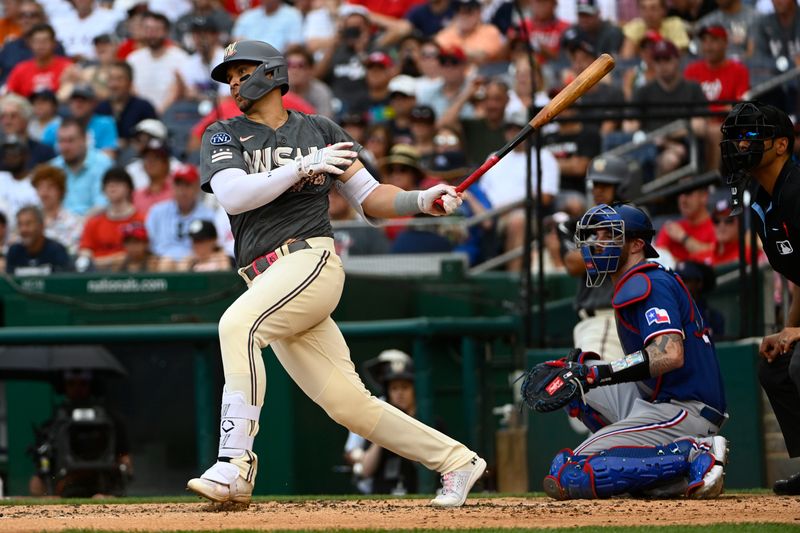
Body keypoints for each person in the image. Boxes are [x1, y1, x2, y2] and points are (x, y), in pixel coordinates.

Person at [186, 39, 485, 507]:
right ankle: (456, 461)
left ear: (271, 72)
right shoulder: (224, 133)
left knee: (237, 326)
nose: (236, 83)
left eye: (243, 71)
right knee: (349, 405)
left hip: (309, 261)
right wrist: (302, 166)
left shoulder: (319, 129)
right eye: (230, 76)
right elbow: (234, 195)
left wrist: (423, 200)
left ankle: (235, 465)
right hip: (265, 279)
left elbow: (370, 198)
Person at [535, 202, 728, 500]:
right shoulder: (634, 282)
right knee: (571, 376)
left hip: (684, 407)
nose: (597, 244)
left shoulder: (648, 282)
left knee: (570, 471)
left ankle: (694, 453)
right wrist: (590, 373)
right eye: (595, 235)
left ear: (637, 244)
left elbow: (670, 354)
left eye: (608, 236)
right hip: (656, 398)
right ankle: (669, 473)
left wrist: (603, 372)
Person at [720, 102, 800, 495]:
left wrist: (798, 331)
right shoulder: (762, 196)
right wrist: (790, 328)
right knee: (777, 367)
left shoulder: (798, 189)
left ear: (782, 144)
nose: (739, 144)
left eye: (751, 135)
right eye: (735, 136)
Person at [29, 369, 133, 497]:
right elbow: (38, 482)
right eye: (71, 383)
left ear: (92, 385)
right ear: (63, 386)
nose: (77, 389)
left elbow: (126, 462)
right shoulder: (55, 426)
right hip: (65, 487)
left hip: (103, 487)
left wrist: (121, 474)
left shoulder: (111, 423)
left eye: (83, 383)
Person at [347, 355, 422, 495]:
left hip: (420, 494)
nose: (400, 393)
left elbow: (429, 468)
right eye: (394, 388)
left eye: (405, 387)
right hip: (382, 496)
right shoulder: (376, 419)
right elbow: (365, 470)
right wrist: (385, 432)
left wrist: (409, 423)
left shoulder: (429, 419)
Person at [144, 163, 216, 264]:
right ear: (172, 187)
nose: (182, 191)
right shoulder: (157, 211)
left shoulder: (208, 215)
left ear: (196, 187)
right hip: (159, 262)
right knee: (166, 262)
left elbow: (213, 246)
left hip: (195, 262)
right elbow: (146, 243)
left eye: (187, 185)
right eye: (178, 185)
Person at [77, 167, 144, 272]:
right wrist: (112, 260)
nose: (112, 186)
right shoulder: (93, 222)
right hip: (97, 276)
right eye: (108, 184)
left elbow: (142, 253)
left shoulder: (141, 219)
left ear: (129, 188)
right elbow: (85, 252)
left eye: (118, 182)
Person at [655, 182, 716, 264]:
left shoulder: (720, 224)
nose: (682, 199)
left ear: (704, 196)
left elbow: (716, 254)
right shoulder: (672, 228)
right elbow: (658, 259)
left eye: (688, 193)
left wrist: (684, 238)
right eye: (680, 194)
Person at [31, 164, 84, 255]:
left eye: (50, 187)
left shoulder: (73, 221)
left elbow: (73, 253)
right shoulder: (29, 219)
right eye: (40, 187)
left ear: (61, 190)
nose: (44, 193)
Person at [6, 204, 72, 275]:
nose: (23, 229)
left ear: (41, 226)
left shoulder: (57, 251)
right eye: (20, 224)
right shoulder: (14, 252)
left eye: (28, 224)